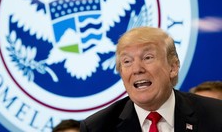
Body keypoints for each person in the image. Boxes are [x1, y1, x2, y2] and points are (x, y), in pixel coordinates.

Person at [80, 26, 222, 132]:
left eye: (147, 58)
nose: (137, 69)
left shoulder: (216, 116)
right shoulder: (97, 127)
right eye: (127, 61)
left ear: (173, 67)